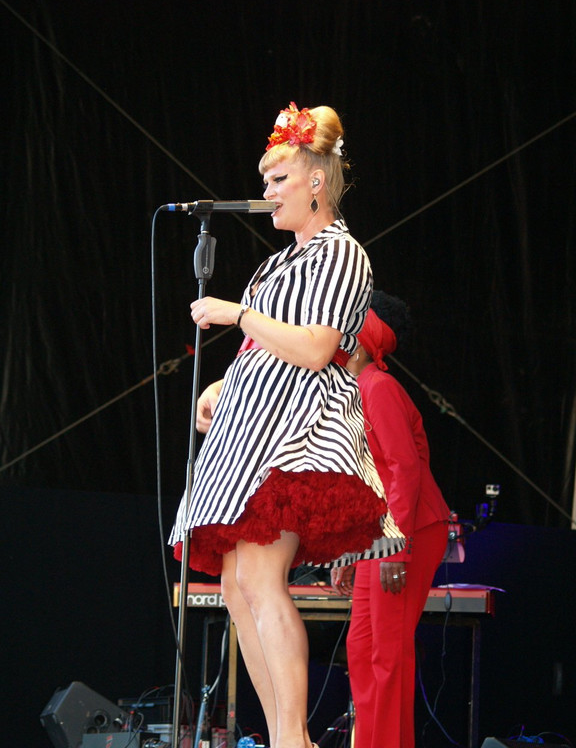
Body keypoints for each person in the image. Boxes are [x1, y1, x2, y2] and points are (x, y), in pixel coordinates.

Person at [169, 103, 404, 748]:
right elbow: (266, 349)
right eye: (266, 181)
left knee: (260, 578)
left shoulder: (341, 253)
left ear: (316, 182)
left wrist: (237, 314)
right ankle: (282, 735)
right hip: (251, 430)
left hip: (296, 432)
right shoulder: (280, 263)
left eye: (279, 180)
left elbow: (316, 347)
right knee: (236, 585)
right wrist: (223, 387)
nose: (268, 192)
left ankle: (292, 738)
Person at [331, 291, 451, 748]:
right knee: (361, 649)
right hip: (379, 535)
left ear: (360, 338)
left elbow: (404, 469)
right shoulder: (353, 392)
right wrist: (348, 550)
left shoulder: (379, 387)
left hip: (408, 531)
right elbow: (364, 479)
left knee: (387, 652)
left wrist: (395, 549)